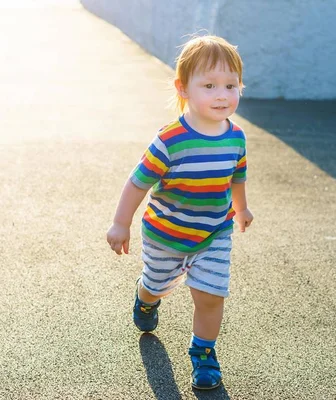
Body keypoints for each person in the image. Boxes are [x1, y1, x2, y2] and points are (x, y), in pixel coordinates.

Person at [106, 35, 253, 390]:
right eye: (209, 85)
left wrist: (242, 208)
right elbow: (137, 183)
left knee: (210, 296)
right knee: (158, 285)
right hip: (166, 235)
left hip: (213, 233)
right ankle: (145, 297)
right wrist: (120, 223)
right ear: (183, 88)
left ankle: (203, 353)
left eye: (230, 85)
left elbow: (237, 175)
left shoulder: (236, 137)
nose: (222, 94)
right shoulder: (170, 140)